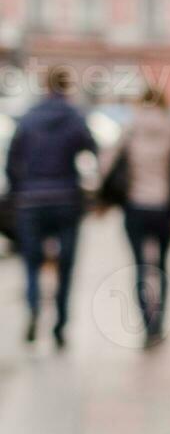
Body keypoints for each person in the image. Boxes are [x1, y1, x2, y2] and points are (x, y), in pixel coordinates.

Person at [5, 65, 97, 349]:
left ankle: (33, 306)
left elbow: (12, 161)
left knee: (32, 261)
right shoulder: (74, 117)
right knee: (66, 265)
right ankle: (60, 323)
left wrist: (20, 188)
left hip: (31, 200)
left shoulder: (29, 118)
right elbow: (91, 151)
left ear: (45, 87)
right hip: (66, 198)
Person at [103, 83, 170, 347]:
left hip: (135, 205)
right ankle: (161, 323)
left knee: (140, 267)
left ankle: (147, 324)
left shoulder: (131, 126)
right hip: (165, 207)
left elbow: (108, 164)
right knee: (163, 266)